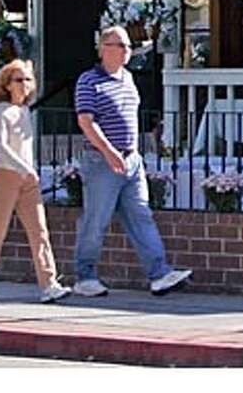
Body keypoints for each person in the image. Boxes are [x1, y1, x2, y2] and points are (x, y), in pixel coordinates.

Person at [73, 24, 191, 297]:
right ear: (104, 49)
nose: (127, 50)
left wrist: (133, 153)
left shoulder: (127, 78)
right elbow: (86, 121)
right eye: (121, 45)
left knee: (141, 215)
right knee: (96, 220)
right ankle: (85, 276)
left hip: (131, 159)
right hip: (101, 161)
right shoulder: (88, 81)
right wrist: (108, 151)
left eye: (128, 46)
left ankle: (159, 273)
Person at [0, 59, 71, 303]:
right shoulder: (0, 111)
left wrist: (28, 170)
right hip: (6, 175)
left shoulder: (24, 110)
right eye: (18, 80)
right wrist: (25, 168)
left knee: (39, 231)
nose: (24, 84)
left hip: (28, 177)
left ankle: (49, 284)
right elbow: (2, 146)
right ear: (7, 84)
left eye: (27, 79)